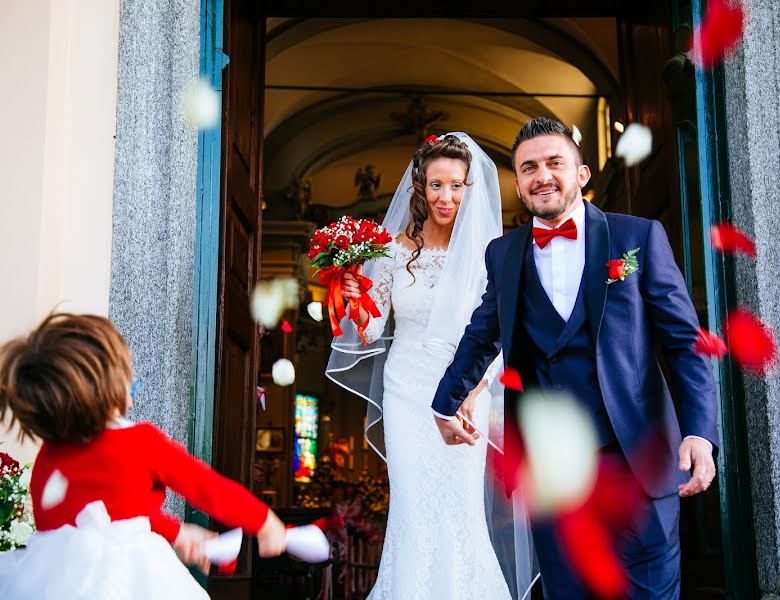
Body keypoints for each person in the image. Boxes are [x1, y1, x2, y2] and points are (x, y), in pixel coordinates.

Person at [432, 118, 719, 599]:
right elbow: (483, 334)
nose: (541, 175)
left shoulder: (638, 238)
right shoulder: (503, 254)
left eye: (553, 163)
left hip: (637, 459)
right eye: (528, 168)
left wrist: (699, 432)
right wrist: (445, 404)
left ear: (581, 174)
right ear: (519, 184)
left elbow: (683, 343)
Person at [327, 133, 535, 599]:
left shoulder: (491, 255)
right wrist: (355, 300)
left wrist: (473, 392)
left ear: (470, 188)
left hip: (467, 390)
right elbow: (373, 329)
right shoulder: (393, 250)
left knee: (460, 506)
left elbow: (503, 333)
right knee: (412, 507)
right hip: (405, 393)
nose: (446, 197)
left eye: (456, 186)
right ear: (420, 188)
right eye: (436, 185)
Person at [0, 313, 287, 599]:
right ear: (109, 381)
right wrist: (263, 521)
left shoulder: (48, 460)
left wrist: (177, 533)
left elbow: (109, 516)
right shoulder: (139, 442)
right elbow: (208, 488)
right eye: (128, 371)